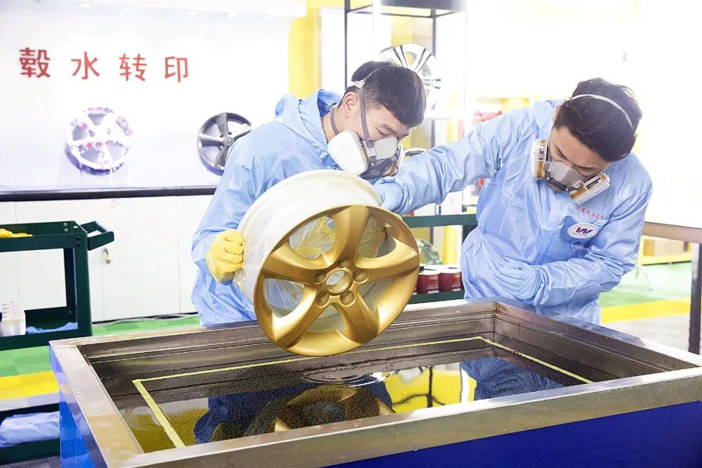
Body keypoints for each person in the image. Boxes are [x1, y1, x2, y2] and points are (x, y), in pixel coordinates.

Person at [374, 78, 651, 324]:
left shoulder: (632, 184)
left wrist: (544, 282)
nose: (564, 174)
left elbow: (610, 263)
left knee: (564, 369)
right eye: (559, 154)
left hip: (568, 315)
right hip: (491, 291)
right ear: (555, 116)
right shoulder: (521, 128)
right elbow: (449, 165)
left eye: (585, 170)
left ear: (616, 160)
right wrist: (399, 189)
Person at [191, 61, 426, 326]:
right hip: (241, 315)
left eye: (397, 139)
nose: (385, 148)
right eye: (383, 132)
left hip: (313, 315)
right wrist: (216, 254)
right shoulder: (261, 151)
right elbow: (208, 236)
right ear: (350, 103)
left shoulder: (365, 167)